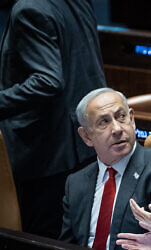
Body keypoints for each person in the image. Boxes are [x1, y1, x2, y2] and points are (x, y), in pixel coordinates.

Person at [0, 0, 106, 238]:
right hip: (85, 143)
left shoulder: (29, 9)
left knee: (43, 238)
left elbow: (48, 81)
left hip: (47, 154)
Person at [59, 88, 151, 250]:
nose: (117, 129)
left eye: (121, 117)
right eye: (104, 122)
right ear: (86, 136)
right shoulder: (76, 183)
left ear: (132, 119)